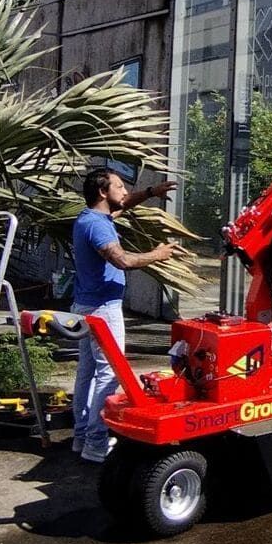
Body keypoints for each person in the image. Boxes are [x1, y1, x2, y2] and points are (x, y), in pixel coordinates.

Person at [72, 166, 177, 463]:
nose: (124, 191)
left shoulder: (91, 218)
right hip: (103, 309)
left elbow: (123, 205)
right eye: (119, 186)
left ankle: (81, 437)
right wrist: (158, 255)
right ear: (103, 192)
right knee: (109, 374)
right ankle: (96, 442)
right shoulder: (99, 226)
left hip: (86, 305)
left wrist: (150, 193)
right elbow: (123, 261)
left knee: (87, 373)